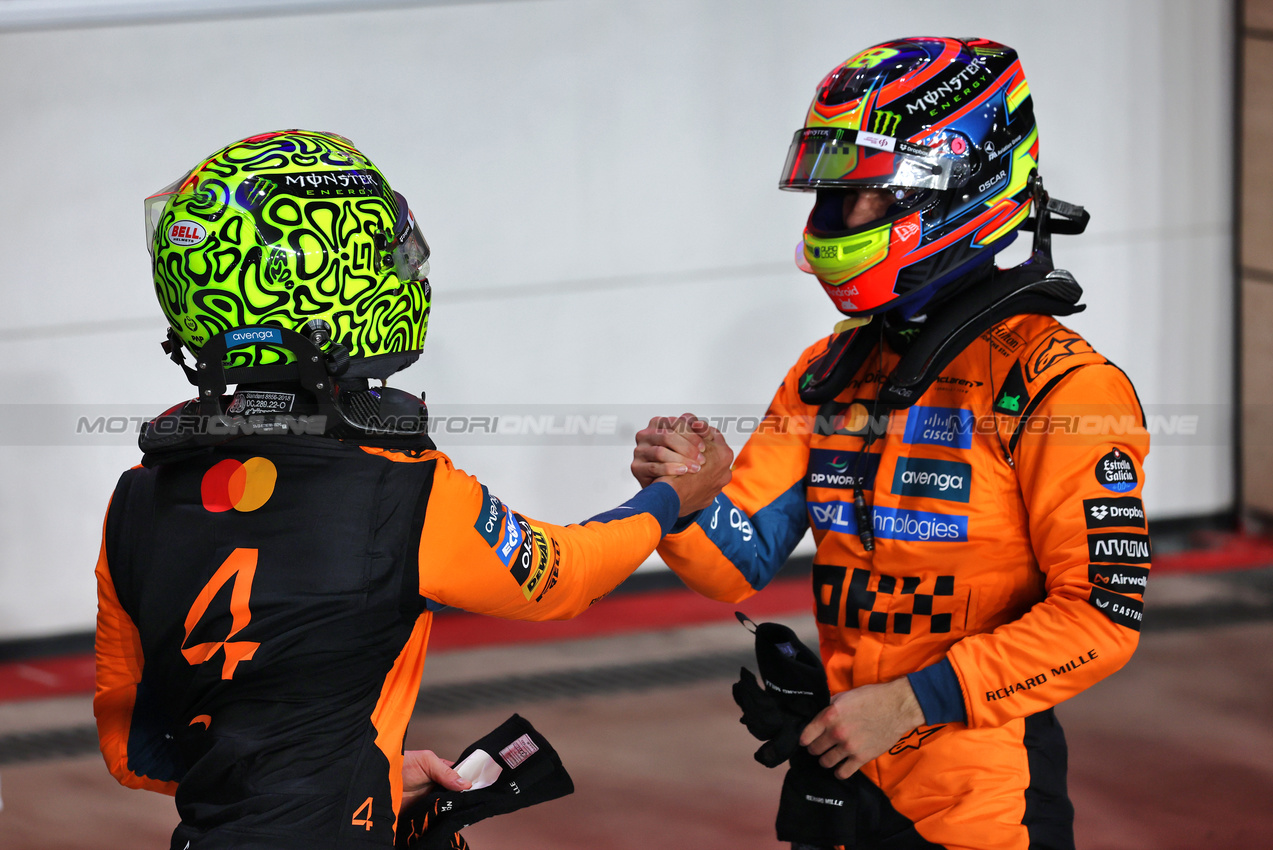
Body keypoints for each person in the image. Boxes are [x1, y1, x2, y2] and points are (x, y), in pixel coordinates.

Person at [93, 129, 732, 850]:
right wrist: (674, 498)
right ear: (346, 290)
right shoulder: (400, 489)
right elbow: (564, 577)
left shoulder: (135, 501)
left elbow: (134, 751)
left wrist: (357, 774)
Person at [632, 38, 1151, 850]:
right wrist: (689, 497)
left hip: (979, 805)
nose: (838, 219)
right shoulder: (827, 372)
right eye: (832, 196)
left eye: (864, 197)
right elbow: (733, 563)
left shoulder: (1062, 387)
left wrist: (911, 703)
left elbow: (1100, 616)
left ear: (952, 188)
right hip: (841, 777)